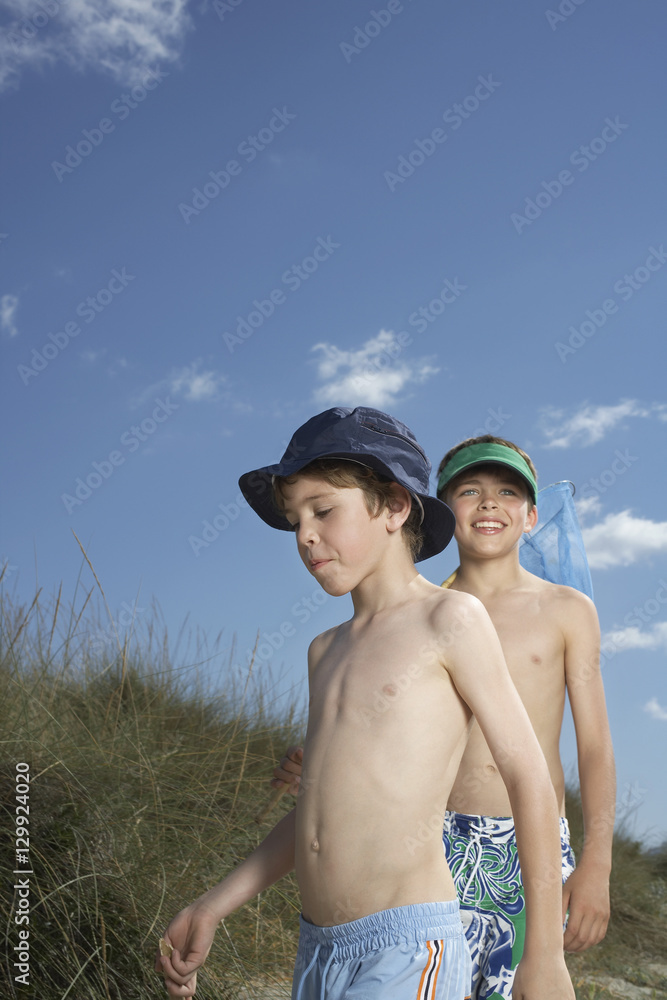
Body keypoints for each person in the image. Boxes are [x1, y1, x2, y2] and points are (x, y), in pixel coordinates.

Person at [156, 409, 574, 1000]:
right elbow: (321, 815)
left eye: (324, 511)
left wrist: (544, 955)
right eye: (295, 519)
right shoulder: (323, 651)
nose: (305, 534)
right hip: (318, 951)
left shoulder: (449, 618)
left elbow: (529, 778)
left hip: (407, 946)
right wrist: (213, 905)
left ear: (395, 507)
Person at [274, 433, 615, 1000]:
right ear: (436, 508)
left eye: (507, 492)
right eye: (468, 490)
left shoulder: (565, 610)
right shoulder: (420, 612)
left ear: (531, 517)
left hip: (523, 841)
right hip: (433, 841)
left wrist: (596, 864)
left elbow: (595, 746)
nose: (487, 503)